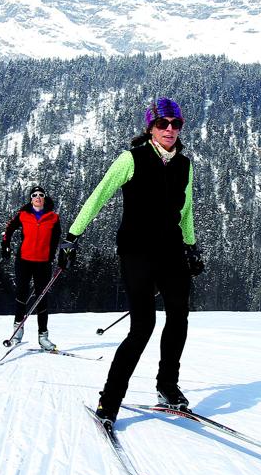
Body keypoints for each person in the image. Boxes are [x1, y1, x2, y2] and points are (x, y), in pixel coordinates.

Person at [58, 97, 204, 427]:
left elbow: (187, 209)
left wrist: (191, 247)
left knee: (179, 316)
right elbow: (99, 196)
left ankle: (167, 386)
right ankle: (110, 401)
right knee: (143, 326)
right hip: (136, 251)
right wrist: (72, 236)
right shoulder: (131, 159)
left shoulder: (184, 164)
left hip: (171, 250)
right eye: (162, 124)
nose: (169, 130)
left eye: (175, 124)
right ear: (150, 128)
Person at [1, 185, 61, 351]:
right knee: (21, 293)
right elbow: (9, 228)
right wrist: (5, 245)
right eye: (34, 195)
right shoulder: (23, 214)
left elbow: (56, 239)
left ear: (44, 198)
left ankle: (43, 337)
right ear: (31, 198)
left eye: (41, 194)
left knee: (42, 298)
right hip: (24, 260)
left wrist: (55, 256)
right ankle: (17, 332)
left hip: (43, 263)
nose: (38, 197)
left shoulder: (53, 218)